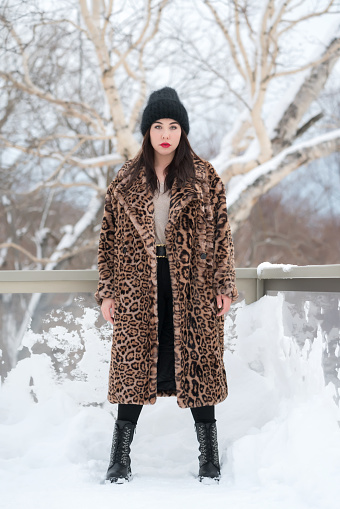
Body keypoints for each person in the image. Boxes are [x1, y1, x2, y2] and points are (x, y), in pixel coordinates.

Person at [95, 87, 238, 484]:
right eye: (158, 125)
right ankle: (119, 458)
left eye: (173, 126)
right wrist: (108, 291)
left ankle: (209, 457)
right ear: (147, 131)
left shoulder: (205, 177)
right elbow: (107, 241)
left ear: (183, 131)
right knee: (132, 365)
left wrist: (223, 283)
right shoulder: (124, 180)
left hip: (192, 283)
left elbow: (223, 236)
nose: (165, 133)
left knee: (198, 363)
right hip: (138, 283)